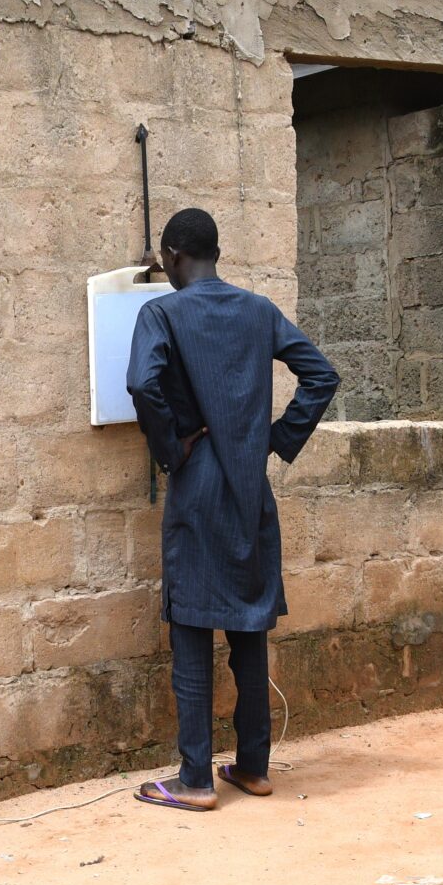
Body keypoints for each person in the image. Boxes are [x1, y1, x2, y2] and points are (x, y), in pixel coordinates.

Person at [125, 208, 340, 812]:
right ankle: (253, 768)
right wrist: (275, 438)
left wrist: (172, 448)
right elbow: (320, 376)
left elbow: (143, 384)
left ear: (171, 256)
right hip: (250, 488)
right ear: (214, 253)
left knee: (192, 626)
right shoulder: (259, 310)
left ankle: (195, 779)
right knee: (248, 628)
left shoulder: (160, 312)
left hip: (197, 489)